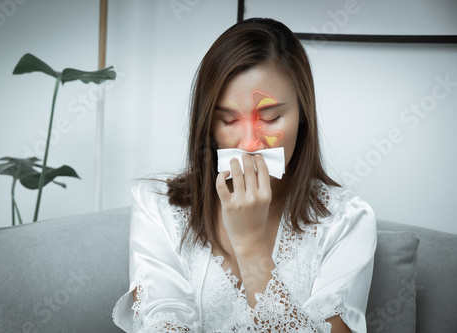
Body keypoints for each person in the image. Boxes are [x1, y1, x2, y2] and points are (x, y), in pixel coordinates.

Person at [112, 17, 376, 333]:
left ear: (303, 114)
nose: (250, 143)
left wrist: (251, 246)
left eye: (271, 116)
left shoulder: (347, 219)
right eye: (228, 121)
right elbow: (162, 321)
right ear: (208, 126)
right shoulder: (159, 208)